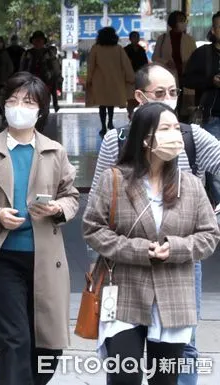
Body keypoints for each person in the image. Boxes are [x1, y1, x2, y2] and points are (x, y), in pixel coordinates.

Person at [90, 63, 220, 385]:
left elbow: (207, 233)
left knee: (183, 349)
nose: (168, 98)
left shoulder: (193, 139)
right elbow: (95, 214)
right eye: (159, 93)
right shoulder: (115, 143)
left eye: (173, 92)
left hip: (179, 266)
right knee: (122, 363)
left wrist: (205, 224)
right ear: (139, 96)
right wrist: (97, 261)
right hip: (121, 273)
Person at [0, 72, 79, 385]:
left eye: (28, 102)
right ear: (3, 105)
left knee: (47, 345)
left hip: (45, 260)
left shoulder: (54, 151)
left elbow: (71, 196)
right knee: (14, 340)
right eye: (13, 101)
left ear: (40, 110)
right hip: (2, 258)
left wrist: (58, 208)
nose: (19, 107)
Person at [183, 11, 220, 204]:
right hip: (212, 117)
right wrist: (210, 81)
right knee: (215, 169)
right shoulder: (203, 54)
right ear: (214, 30)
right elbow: (187, 79)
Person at [86, 27, 135, 136]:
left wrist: (89, 80)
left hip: (100, 81)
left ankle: (103, 126)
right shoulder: (118, 49)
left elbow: (91, 66)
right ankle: (110, 123)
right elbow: (126, 64)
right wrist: (130, 78)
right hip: (115, 80)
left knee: (102, 104)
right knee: (111, 103)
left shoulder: (96, 48)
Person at [152, 10, 197, 121]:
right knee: (169, 106)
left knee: (186, 108)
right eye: (180, 20)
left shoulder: (189, 40)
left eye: (184, 20)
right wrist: (166, 62)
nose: (184, 23)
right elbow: (155, 57)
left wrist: (189, 63)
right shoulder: (162, 39)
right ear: (173, 22)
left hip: (186, 79)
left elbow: (196, 58)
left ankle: (183, 128)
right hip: (169, 78)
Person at [19, 31, 62, 112]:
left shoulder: (49, 53)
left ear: (43, 41)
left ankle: (54, 105)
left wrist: (57, 78)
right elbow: (22, 68)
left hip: (46, 82)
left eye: (40, 39)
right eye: (36, 39)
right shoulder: (27, 53)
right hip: (30, 83)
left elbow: (56, 68)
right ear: (33, 41)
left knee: (45, 106)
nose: (38, 41)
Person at [124, 31, 149, 119]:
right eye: (134, 37)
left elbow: (145, 63)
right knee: (130, 97)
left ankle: (137, 115)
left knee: (139, 96)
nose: (135, 39)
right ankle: (130, 114)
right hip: (129, 77)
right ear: (130, 39)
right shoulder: (126, 49)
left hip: (140, 76)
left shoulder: (141, 50)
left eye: (137, 37)